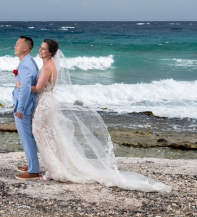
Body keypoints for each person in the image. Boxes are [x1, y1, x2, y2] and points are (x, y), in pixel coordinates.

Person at [19, 38, 171, 192]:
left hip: (44, 104)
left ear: (50, 52)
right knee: (48, 135)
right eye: (40, 47)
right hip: (47, 103)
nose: (40, 50)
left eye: (44, 48)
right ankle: (53, 167)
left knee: (41, 134)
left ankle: (53, 170)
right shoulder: (49, 65)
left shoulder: (47, 68)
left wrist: (21, 85)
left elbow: (38, 89)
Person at [11, 36, 40, 180]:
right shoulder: (27, 62)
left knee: (26, 138)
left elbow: (25, 90)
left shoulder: (26, 65)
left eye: (17, 44)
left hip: (24, 107)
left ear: (25, 48)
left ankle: (33, 170)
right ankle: (31, 165)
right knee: (26, 137)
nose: (14, 46)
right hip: (26, 105)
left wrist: (20, 109)